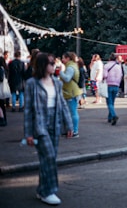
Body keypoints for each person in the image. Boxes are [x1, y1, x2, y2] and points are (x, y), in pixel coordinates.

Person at [24, 52, 73, 205]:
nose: (55, 65)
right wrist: (28, 133)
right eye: (51, 63)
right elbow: (28, 110)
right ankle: (49, 191)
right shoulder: (32, 83)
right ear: (42, 65)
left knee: (47, 159)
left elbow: (63, 105)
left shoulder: (57, 83)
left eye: (54, 63)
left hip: (55, 123)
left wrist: (69, 125)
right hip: (40, 124)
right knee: (50, 157)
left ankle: (41, 189)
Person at [59, 52, 82, 138]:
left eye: (63, 58)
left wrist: (60, 72)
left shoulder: (70, 67)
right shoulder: (73, 66)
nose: (62, 60)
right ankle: (70, 131)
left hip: (70, 92)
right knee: (70, 112)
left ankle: (74, 131)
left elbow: (67, 79)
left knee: (72, 112)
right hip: (72, 92)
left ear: (68, 58)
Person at [103, 53, 123, 125]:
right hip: (116, 85)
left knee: (109, 102)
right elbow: (121, 75)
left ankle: (114, 116)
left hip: (108, 85)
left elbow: (105, 75)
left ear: (109, 59)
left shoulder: (106, 66)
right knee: (112, 102)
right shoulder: (118, 66)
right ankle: (110, 117)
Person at [0, 56, 8, 126]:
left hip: (0, 88)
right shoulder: (4, 68)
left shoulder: (1, 69)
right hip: (2, 89)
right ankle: (3, 119)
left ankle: (2, 119)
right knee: (2, 105)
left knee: (1, 105)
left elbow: (1, 78)